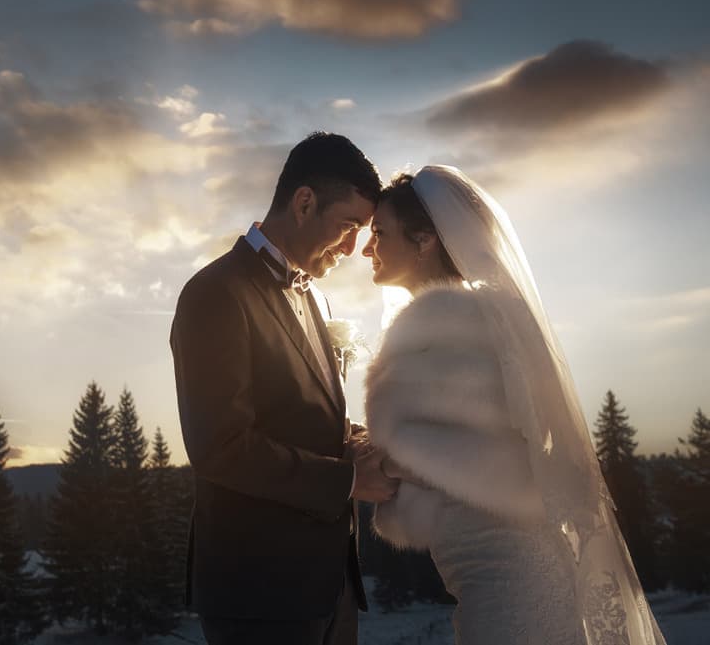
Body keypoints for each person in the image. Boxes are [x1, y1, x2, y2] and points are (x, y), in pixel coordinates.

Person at [361, 166, 666, 644]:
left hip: (511, 580)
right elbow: (463, 441)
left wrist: (363, 462)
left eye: (379, 233)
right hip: (501, 572)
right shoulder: (481, 320)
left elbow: (436, 455)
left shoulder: (447, 327)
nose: (366, 248)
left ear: (424, 241)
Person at [170, 132, 399, 645]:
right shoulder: (215, 293)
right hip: (259, 593)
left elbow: (296, 412)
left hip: (331, 588)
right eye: (348, 226)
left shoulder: (317, 297)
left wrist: (355, 437)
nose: (352, 249)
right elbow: (220, 447)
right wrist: (347, 481)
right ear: (304, 202)